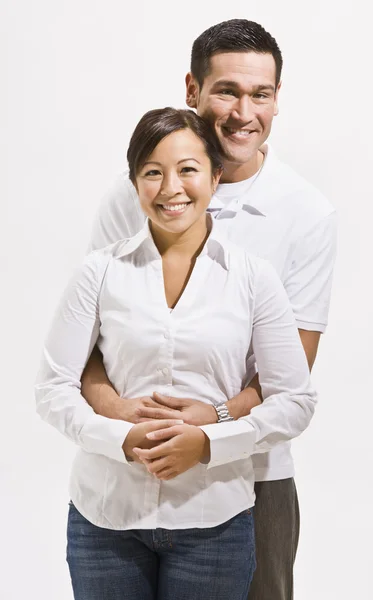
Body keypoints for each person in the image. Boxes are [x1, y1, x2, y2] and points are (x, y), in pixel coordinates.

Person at [80, 19, 337, 600]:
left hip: (258, 473)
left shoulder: (306, 214)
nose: (243, 112)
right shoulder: (129, 200)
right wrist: (124, 417)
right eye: (227, 91)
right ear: (192, 89)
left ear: (276, 100)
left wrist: (214, 419)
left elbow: (291, 371)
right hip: (131, 467)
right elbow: (85, 349)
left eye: (261, 94)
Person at [35, 107, 316, 600]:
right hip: (105, 520)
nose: (171, 188)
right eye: (152, 172)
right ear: (134, 181)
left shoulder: (253, 278)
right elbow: (52, 388)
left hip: (215, 522)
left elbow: (295, 400)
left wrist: (209, 443)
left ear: (215, 175)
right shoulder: (98, 273)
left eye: (187, 169)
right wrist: (119, 438)